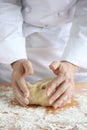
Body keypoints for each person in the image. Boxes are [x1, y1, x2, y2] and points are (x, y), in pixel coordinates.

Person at [0, 0, 87, 108]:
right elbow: (5, 4)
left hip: (73, 42)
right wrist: (14, 58)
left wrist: (72, 63)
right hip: (18, 41)